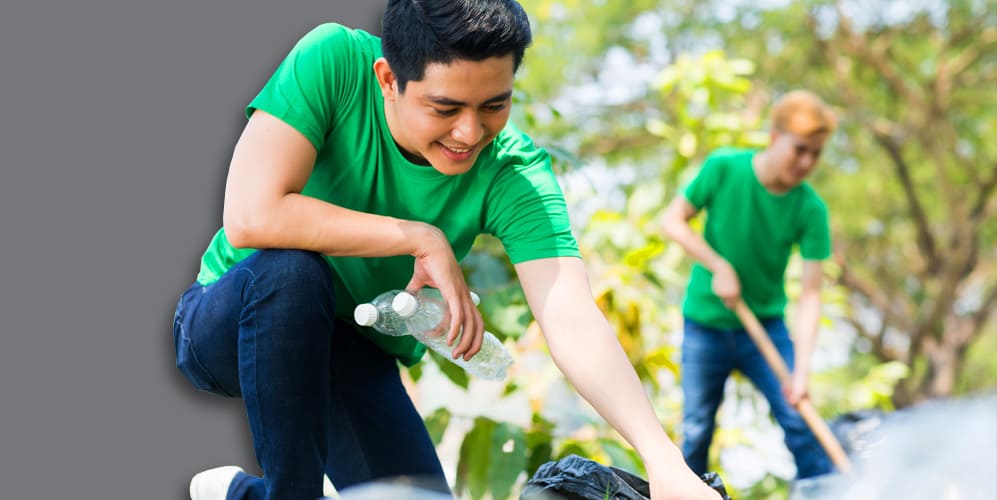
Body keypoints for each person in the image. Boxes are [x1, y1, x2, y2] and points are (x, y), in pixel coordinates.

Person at [171, 1, 721, 499]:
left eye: (494, 105)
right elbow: (252, 215)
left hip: (349, 350)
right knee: (293, 272)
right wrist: (419, 236)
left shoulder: (514, 174)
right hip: (231, 321)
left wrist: (663, 459)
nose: (469, 132)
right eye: (445, 107)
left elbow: (571, 317)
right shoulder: (333, 61)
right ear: (388, 79)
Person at [660, 90, 837, 480]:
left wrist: (802, 370)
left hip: (766, 330)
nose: (806, 162)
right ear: (775, 137)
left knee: (800, 425)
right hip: (705, 323)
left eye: (816, 154)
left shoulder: (810, 209)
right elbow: (672, 221)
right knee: (696, 433)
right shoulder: (724, 167)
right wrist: (718, 264)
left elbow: (810, 294)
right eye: (800, 149)